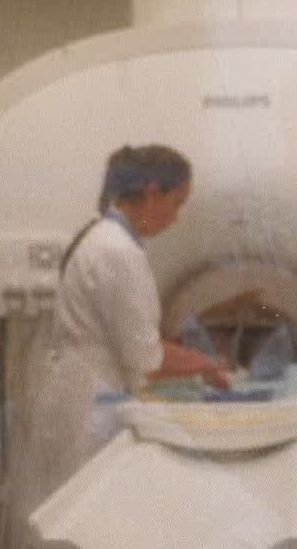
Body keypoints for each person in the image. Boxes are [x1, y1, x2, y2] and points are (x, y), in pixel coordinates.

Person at [25, 144, 228, 503]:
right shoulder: (118, 251)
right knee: (86, 508)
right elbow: (144, 356)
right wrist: (205, 364)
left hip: (77, 390)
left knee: (72, 507)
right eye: (177, 204)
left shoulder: (101, 237)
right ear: (152, 194)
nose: (176, 218)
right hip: (89, 404)